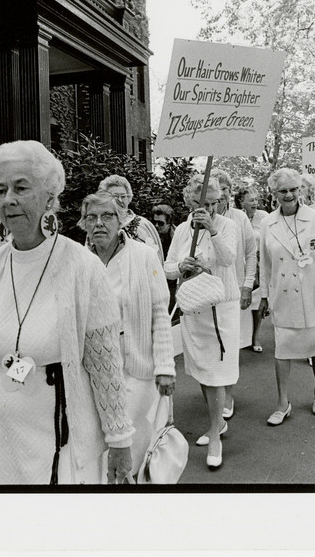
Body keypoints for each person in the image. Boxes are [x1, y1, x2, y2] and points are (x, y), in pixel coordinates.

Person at [0, 141, 134, 485]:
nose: (8, 198)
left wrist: (119, 439)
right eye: (0, 190)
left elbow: (105, 363)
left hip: (55, 432)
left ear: (49, 197)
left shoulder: (81, 266)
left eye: (20, 187)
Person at [79, 192, 176, 473]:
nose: (99, 223)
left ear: (121, 219)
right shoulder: (79, 261)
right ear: (83, 223)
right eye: (91, 217)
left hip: (136, 368)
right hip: (94, 372)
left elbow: (160, 312)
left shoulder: (144, 256)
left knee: (128, 442)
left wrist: (165, 366)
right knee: (101, 446)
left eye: (107, 216)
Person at [164, 174, 238, 470]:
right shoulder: (182, 230)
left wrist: (212, 231)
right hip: (194, 308)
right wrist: (181, 266)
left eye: (215, 203)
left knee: (217, 372)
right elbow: (167, 268)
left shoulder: (227, 225)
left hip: (221, 308)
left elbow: (229, 259)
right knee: (203, 371)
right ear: (190, 202)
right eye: (203, 204)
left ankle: (217, 436)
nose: (210, 208)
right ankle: (216, 423)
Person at [258, 169, 315, 426]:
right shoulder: (267, 223)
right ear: (274, 194)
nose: (290, 195)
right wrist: (263, 296)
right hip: (283, 295)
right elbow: (266, 265)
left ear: (301, 190)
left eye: (294, 189)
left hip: (313, 293)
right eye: (283, 191)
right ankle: (283, 403)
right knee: (283, 349)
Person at [211, 169, 257, 420]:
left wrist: (248, 285)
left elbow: (250, 253)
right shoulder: (201, 217)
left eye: (225, 190)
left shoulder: (239, 218)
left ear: (229, 192)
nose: (220, 196)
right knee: (212, 345)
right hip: (207, 292)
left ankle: (227, 395)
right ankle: (214, 393)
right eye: (216, 191)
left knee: (230, 346)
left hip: (234, 289)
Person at [235, 186, 270, 353]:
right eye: (251, 200)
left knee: (257, 303)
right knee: (239, 302)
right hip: (239, 264)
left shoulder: (263, 217)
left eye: (256, 199)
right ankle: (239, 337)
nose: (255, 202)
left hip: (258, 263)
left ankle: (255, 337)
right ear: (241, 202)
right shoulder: (236, 218)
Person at [98, 174, 163, 262]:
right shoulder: (99, 228)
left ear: (129, 198)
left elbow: (158, 261)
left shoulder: (144, 225)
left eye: (123, 196)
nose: (120, 201)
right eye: (115, 197)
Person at [152, 203, 177, 310]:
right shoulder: (151, 236)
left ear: (169, 223)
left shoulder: (177, 238)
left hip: (173, 284)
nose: (156, 226)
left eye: (161, 223)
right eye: (154, 222)